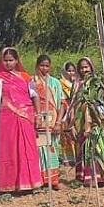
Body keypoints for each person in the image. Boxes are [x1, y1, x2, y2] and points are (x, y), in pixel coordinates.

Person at [0, 48, 43, 194]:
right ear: (1, 61)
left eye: (11, 60)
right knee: (9, 149)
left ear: (17, 61)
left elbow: (35, 96)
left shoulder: (26, 77)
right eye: (5, 60)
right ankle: (8, 184)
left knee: (27, 148)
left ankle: (31, 183)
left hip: (26, 116)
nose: (8, 63)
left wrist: (38, 115)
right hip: (7, 118)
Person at [68, 57, 104, 187]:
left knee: (97, 147)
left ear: (91, 68)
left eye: (86, 67)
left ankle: (100, 176)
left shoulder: (97, 83)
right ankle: (85, 176)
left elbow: (103, 101)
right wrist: (72, 123)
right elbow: (72, 104)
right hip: (81, 121)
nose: (84, 70)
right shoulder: (76, 85)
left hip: (95, 121)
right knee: (83, 147)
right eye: (81, 68)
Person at [33, 55, 66, 189]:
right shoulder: (32, 81)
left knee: (52, 149)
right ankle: (40, 180)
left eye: (47, 65)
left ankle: (53, 180)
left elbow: (62, 103)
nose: (44, 68)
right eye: (42, 65)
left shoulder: (55, 83)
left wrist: (59, 122)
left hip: (53, 121)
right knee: (40, 150)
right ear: (37, 66)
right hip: (39, 122)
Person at [58, 62, 78, 165]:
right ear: (65, 72)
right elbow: (64, 97)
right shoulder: (62, 82)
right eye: (69, 71)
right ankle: (67, 158)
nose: (71, 73)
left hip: (77, 109)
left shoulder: (78, 82)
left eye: (73, 70)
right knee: (66, 135)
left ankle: (77, 157)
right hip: (66, 109)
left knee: (76, 134)